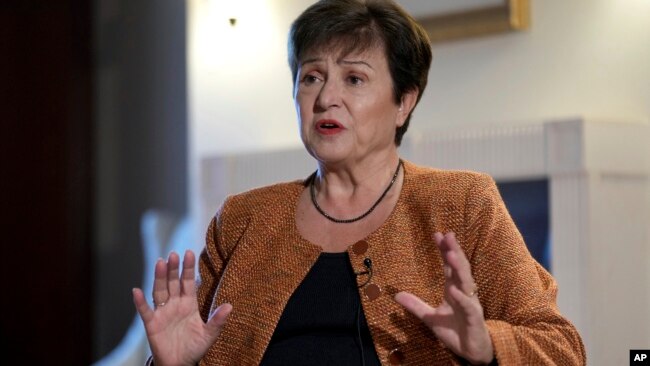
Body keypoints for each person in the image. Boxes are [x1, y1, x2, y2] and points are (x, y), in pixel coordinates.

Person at [132, 0, 586, 365]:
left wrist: (487, 345)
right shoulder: (243, 217)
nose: (327, 98)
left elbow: (562, 350)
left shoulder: (463, 201)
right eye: (311, 77)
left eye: (354, 78)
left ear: (404, 102)